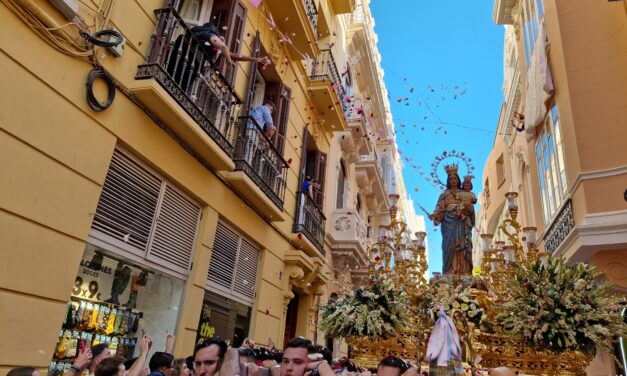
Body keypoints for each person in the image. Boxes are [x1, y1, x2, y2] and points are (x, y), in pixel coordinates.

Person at [167, 23, 271, 94]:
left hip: (182, 61)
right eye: (220, 38)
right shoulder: (208, 34)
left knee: (176, 80)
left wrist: (255, 59)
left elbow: (233, 55)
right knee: (179, 82)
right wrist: (229, 61)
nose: (221, 41)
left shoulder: (200, 37)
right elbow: (223, 47)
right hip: (186, 60)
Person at [430, 165, 473, 275]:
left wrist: (465, 209)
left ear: (458, 180)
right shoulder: (444, 195)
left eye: (455, 178)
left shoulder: (464, 193)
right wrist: (435, 215)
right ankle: (449, 271)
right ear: (448, 181)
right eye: (450, 179)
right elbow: (439, 207)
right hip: (448, 223)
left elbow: (470, 206)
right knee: (449, 247)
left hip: (462, 222)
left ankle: (463, 271)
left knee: (463, 245)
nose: (453, 180)